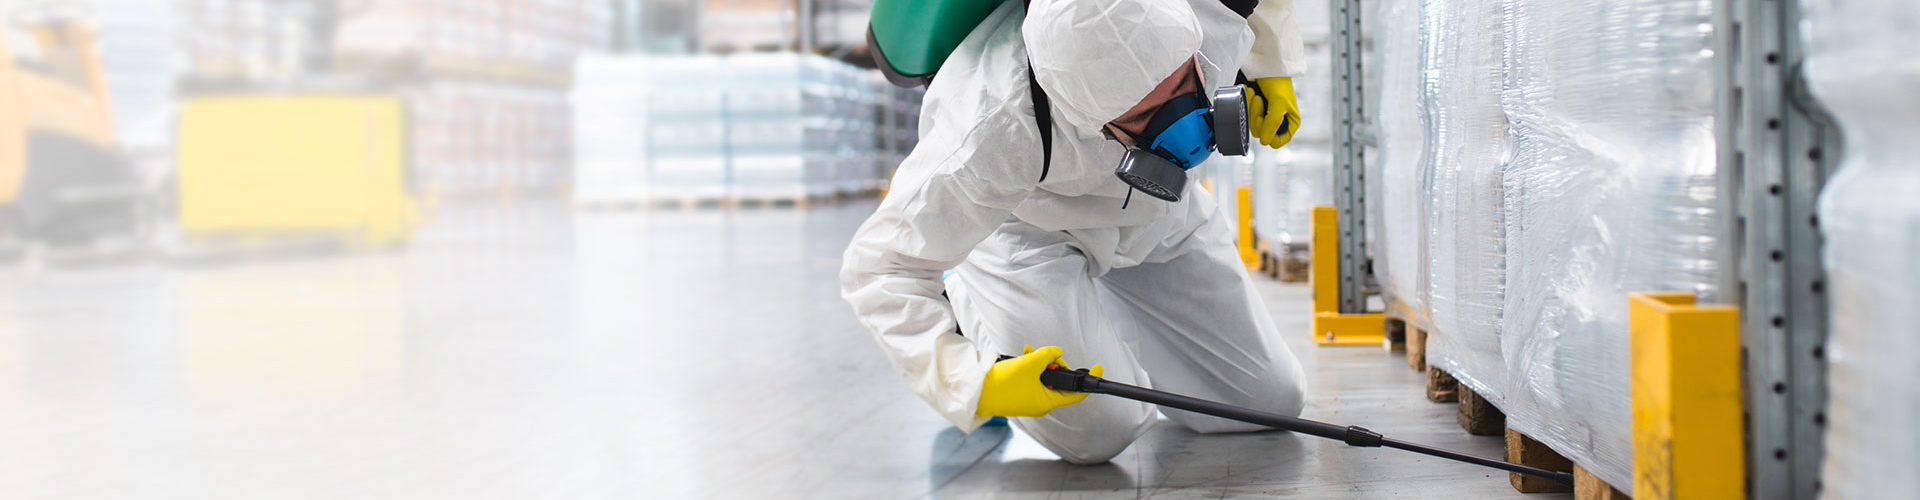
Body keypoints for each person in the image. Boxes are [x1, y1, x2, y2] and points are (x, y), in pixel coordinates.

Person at [841, 0, 1307, 464]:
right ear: (1087, 118)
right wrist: (973, 380)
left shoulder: (1206, 14)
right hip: (1030, 231)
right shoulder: (992, 127)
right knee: (1101, 432)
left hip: (1160, 215)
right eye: (1144, 116)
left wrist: (1271, 62)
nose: (1182, 117)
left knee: (1270, 402)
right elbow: (880, 267)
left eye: (1183, 80)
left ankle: (1093, 317)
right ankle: (978, 321)